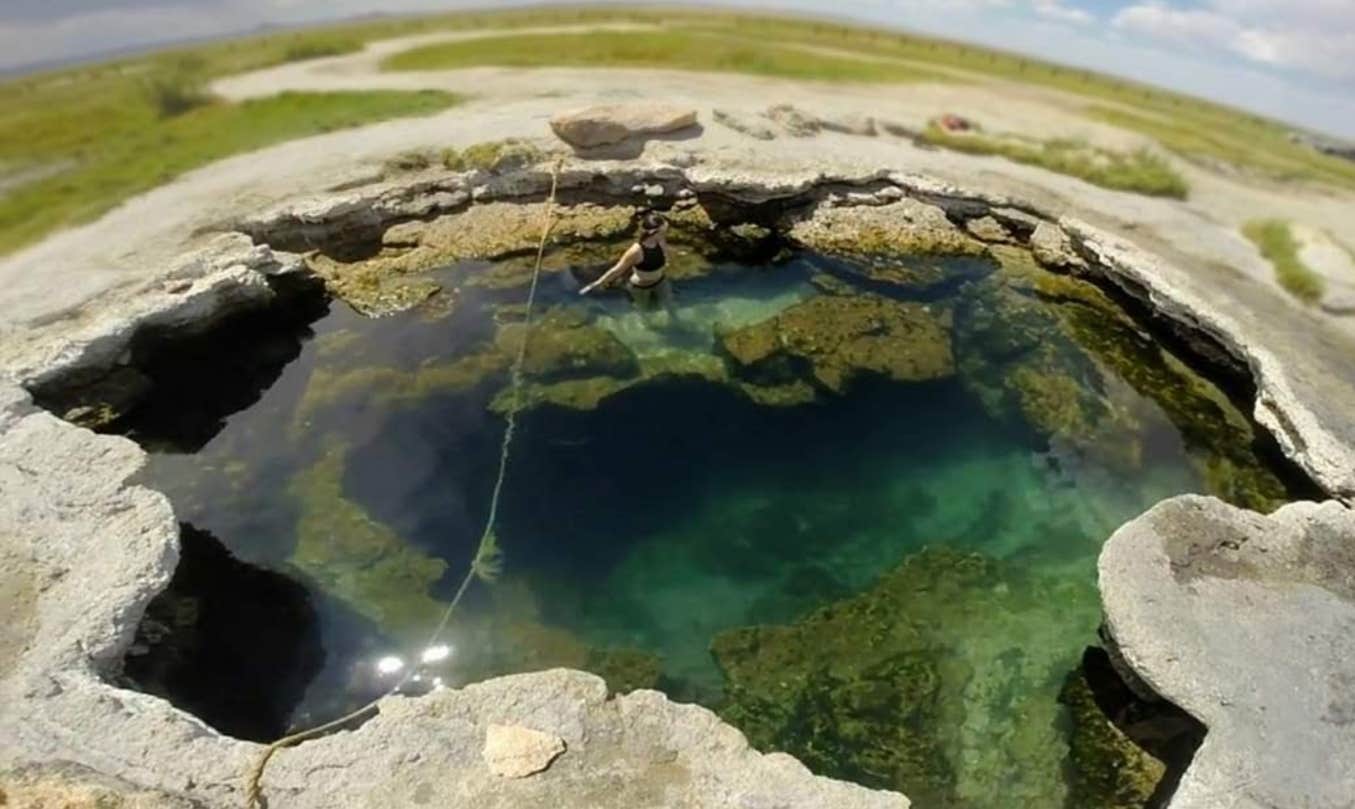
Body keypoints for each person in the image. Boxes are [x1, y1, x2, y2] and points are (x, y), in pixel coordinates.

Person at [580, 212, 676, 319]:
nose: (666, 231)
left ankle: (675, 321)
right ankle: (648, 327)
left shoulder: (661, 240)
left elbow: (664, 254)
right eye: (664, 229)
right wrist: (597, 283)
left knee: (670, 304)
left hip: (660, 281)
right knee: (643, 310)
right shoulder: (636, 251)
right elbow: (617, 270)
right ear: (654, 232)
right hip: (641, 287)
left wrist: (665, 262)